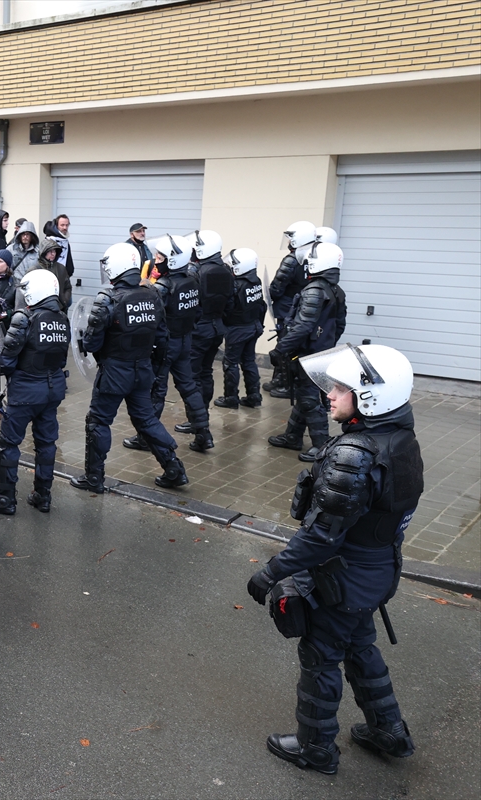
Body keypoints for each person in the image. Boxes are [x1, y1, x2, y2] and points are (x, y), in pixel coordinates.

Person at [247, 343, 422, 776]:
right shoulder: (400, 439)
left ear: (370, 396)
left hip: (342, 579)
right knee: (360, 645)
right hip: (376, 572)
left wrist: (271, 573)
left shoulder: (355, 454)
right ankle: (389, 731)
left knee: (321, 657)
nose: (330, 394)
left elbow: (321, 539)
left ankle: (316, 749)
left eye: (341, 388)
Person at [70, 242, 188, 494]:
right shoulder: (152, 295)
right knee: (145, 419)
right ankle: (174, 469)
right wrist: (154, 371)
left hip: (114, 372)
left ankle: (94, 477)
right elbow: (163, 338)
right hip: (142, 370)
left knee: (98, 422)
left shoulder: (107, 299)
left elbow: (91, 342)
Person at [0, 271, 69, 513]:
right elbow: (63, 358)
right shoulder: (63, 318)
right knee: (46, 444)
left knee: (8, 444)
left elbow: (7, 361)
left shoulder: (25, 318)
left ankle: (5, 499)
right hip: (53, 389)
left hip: (25, 392)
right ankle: (42, 496)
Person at [124, 234, 211, 453]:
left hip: (165, 345)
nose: (155, 260)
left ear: (172, 260)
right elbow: (198, 312)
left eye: (160, 256)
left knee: (156, 390)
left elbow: (151, 321)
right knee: (189, 387)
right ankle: (204, 434)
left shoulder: (162, 287)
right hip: (184, 340)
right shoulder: (193, 279)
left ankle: (146, 438)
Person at [268, 242, 347, 461]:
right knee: (305, 394)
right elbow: (340, 325)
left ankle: (321, 446)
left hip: (308, 353)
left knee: (311, 400)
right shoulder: (336, 290)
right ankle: (292, 436)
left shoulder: (314, 290)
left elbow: (302, 326)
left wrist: (280, 349)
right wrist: (325, 345)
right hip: (321, 351)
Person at [185, 229, 234, 426]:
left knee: (193, 376)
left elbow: (191, 304)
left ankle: (197, 421)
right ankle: (202, 414)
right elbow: (230, 302)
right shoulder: (226, 270)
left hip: (200, 329)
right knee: (206, 372)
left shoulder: (198, 272)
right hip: (217, 327)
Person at [266, 221, 317, 399]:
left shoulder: (292, 259)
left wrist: (273, 296)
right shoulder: (314, 256)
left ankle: (286, 385)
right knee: (291, 344)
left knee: (285, 345)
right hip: (301, 308)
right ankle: (280, 379)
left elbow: (277, 286)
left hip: (287, 308)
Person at [214, 248, 267, 409]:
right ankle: (254, 396)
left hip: (237, 329)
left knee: (230, 363)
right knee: (249, 361)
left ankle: (231, 397)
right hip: (253, 326)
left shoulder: (236, 285)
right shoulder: (255, 280)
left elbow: (227, 308)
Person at [31, 237, 72, 307]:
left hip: (59, 309)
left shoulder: (61, 268)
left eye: (55, 251)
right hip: (39, 309)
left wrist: (64, 300)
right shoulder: (35, 269)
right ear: (44, 252)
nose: (53, 254)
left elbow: (68, 287)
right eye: (50, 251)